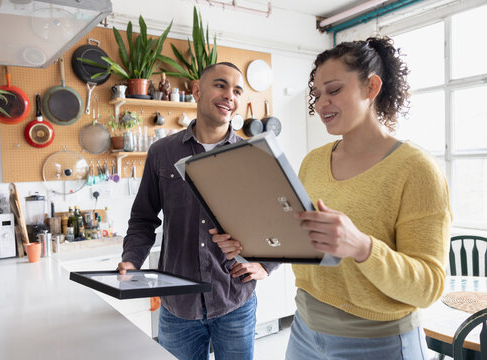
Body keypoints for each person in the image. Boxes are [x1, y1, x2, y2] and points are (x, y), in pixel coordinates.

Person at [212, 36, 452, 360]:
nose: (321, 103)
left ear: (372, 87)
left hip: (378, 343)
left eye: (334, 90)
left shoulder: (416, 169)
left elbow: (429, 286)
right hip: (304, 334)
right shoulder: (314, 161)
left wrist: (362, 247)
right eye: (317, 94)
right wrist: (249, 245)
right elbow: (301, 240)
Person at [117, 62, 279, 360]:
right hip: (178, 306)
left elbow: (277, 222)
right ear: (196, 91)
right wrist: (131, 260)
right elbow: (143, 218)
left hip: (234, 300)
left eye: (237, 90)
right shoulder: (162, 152)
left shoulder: (252, 155)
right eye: (220, 85)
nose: (229, 94)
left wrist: (266, 266)